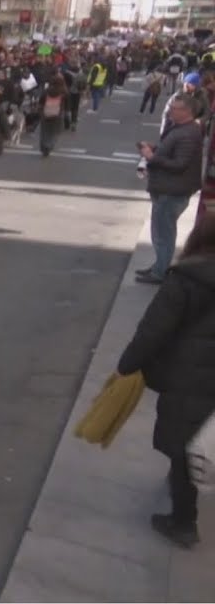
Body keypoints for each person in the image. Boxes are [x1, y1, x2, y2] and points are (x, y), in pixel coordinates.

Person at [116, 215, 215, 549]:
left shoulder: (186, 278)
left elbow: (153, 330)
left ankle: (183, 522)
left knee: (183, 444)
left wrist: (127, 365)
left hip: (191, 375)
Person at [136, 93, 205, 285]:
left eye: (175, 109)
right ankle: (160, 265)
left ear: (187, 112)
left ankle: (160, 271)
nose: (170, 111)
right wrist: (156, 149)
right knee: (160, 232)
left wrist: (152, 156)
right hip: (167, 189)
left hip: (172, 191)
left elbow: (179, 164)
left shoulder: (188, 133)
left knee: (163, 234)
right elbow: (174, 154)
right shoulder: (181, 128)